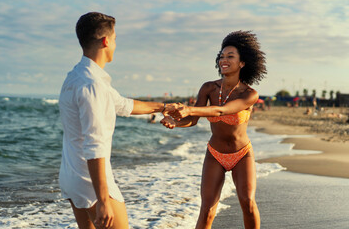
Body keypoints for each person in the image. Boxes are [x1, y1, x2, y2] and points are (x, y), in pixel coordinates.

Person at [58, 12, 176, 229]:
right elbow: (95, 145)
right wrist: (103, 201)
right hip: (91, 183)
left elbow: (123, 104)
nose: (115, 45)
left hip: (71, 175)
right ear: (105, 41)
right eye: (114, 40)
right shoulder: (93, 84)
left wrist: (164, 107)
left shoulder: (75, 77)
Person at [161, 31, 266, 229]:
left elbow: (221, 110)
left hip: (242, 154)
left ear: (242, 63)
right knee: (207, 209)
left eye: (230, 56)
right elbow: (192, 120)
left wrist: (189, 108)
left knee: (248, 203)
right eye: (221, 56)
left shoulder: (249, 94)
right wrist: (176, 122)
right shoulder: (209, 88)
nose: (223, 60)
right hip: (215, 154)